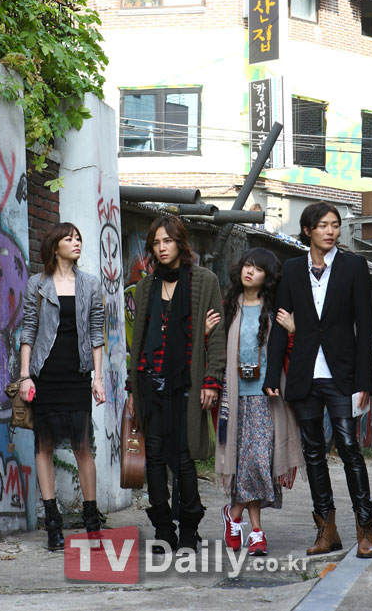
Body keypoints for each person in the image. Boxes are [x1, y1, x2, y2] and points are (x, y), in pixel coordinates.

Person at [263, 201, 372, 559]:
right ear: (308, 230)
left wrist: (365, 382)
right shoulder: (292, 269)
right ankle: (326, 530)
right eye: (323, 225)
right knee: (313, 453)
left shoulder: (353, 266)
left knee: (349, 448)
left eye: (335, 225)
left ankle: (365, 528)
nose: (331, 231)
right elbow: (280, 324)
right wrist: (272, 374)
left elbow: (365, 327)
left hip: (342, 375)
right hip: (304, 374)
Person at [126, 215, 226, 553]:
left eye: (167, 241)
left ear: (180, 243)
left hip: (186, 384)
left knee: (183, 457)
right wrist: (132, 389)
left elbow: (216, 336)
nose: (161, 248)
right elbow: (139, 342)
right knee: (154, 458)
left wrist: (211, 380)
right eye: (156, 243)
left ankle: (189, 528)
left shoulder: (204, 281)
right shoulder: (146, 286)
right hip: (150, 383)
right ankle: (163, 529)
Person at [19, 222, 106, 551]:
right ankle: (53, 524)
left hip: (77, 374)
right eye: (69, 239)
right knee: (44, 447)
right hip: (45, 374)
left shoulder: (90, 284)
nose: (76, 242)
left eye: (78, 238)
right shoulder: (38, 284)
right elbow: (29, 329)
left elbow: (96, 332)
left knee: (83, 447)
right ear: (55, 247)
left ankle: (92, 523)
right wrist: (25, 375)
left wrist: (98, 377)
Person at [215, 248, 304, 556]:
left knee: (258, 462)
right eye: (246, 265)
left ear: (268, 277)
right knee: (246, 464)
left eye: (257, 268)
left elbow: (295, 349)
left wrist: (293, 330)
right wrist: (208, 333)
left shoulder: (274, 311)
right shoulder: (229, 307)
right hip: (234, 398)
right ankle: (256, 532)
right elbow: (215, 349)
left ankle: (234, 514)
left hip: (266, 397)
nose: (249, 271)